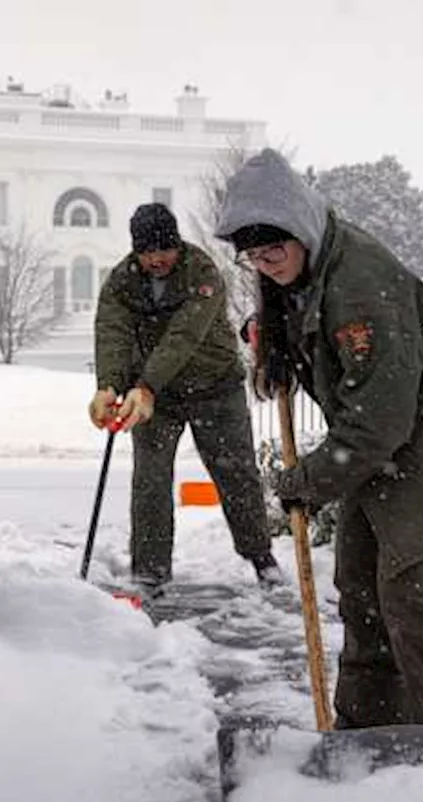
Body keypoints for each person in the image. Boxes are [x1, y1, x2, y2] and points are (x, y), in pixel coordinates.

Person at [213, 148, 423, 763]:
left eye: (273, 253)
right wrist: (265, 338)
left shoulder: (361, 288)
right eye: (253, 258)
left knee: (410, 594)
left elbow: (381, 421)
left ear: (300, 231)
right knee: (360, 589)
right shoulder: (309, 267)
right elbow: (305, 329)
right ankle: (368, 731)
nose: (265, 268)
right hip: (377, 454)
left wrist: (307, 481)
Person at [88, 202, 285, 598]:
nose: (157, 259)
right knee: (150, 479)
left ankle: (261, 557)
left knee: (236, 473)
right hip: (156, 397)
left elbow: (184, 336)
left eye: (164, 250)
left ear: (177, 245)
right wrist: (109, 385)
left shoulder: (202, 272)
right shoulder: (122, 281)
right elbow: (112, 331)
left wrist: (145, 386)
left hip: (214, 387)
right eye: (147, 252)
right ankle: (150, 571)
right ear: (136, 251)